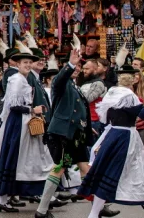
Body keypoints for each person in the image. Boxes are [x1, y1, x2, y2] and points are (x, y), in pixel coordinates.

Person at [79, 64, 144, 218]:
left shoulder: (111, 92)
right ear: (132, 80)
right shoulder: (129, 96)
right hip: (127, 137)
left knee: (107, 174)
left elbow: (104, 117)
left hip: (113, 134)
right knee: (137, 172)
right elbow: (142, 114)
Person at [0, 49, 53, 212]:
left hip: (21, 122)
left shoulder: (23, 79)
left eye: (28, 62)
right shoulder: (17, 80)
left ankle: (4, 199)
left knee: (17, 160)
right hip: (18, 123)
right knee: (15, 158)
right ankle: (3, 200)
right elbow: (14, 106)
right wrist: (33, 110)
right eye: (24, 62)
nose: (27, 65)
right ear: (17, 64)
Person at [33, 48, 91, 218]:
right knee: (59, 168)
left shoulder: (75, 86)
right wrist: (70, 64)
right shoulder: (61, 83)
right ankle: (41, 210)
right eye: (76, 64)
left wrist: (86, 127)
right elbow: (59, 79)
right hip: (64, 134)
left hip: (76, 135)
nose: (78, 68)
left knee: (85, 168)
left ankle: (99, 205)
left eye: (80, 65)